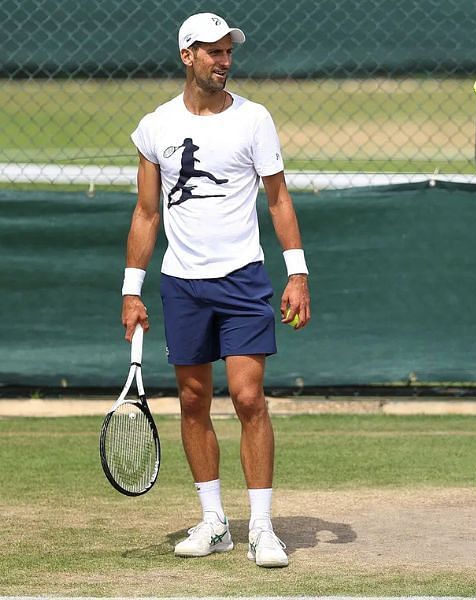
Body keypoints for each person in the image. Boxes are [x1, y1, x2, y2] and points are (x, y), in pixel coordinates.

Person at [120, 12, 310, 568]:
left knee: (249, 398)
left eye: (228, 51)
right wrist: (133, 290)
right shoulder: (155, 126)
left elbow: (278, 200)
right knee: (194, 399)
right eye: (212, 52)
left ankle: (263, 529)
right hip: (182, 283)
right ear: (188, 56)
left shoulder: (255, 120)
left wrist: (297, 273)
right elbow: (146, 212)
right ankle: (214, 522)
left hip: (243, 279)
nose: (224, 60)